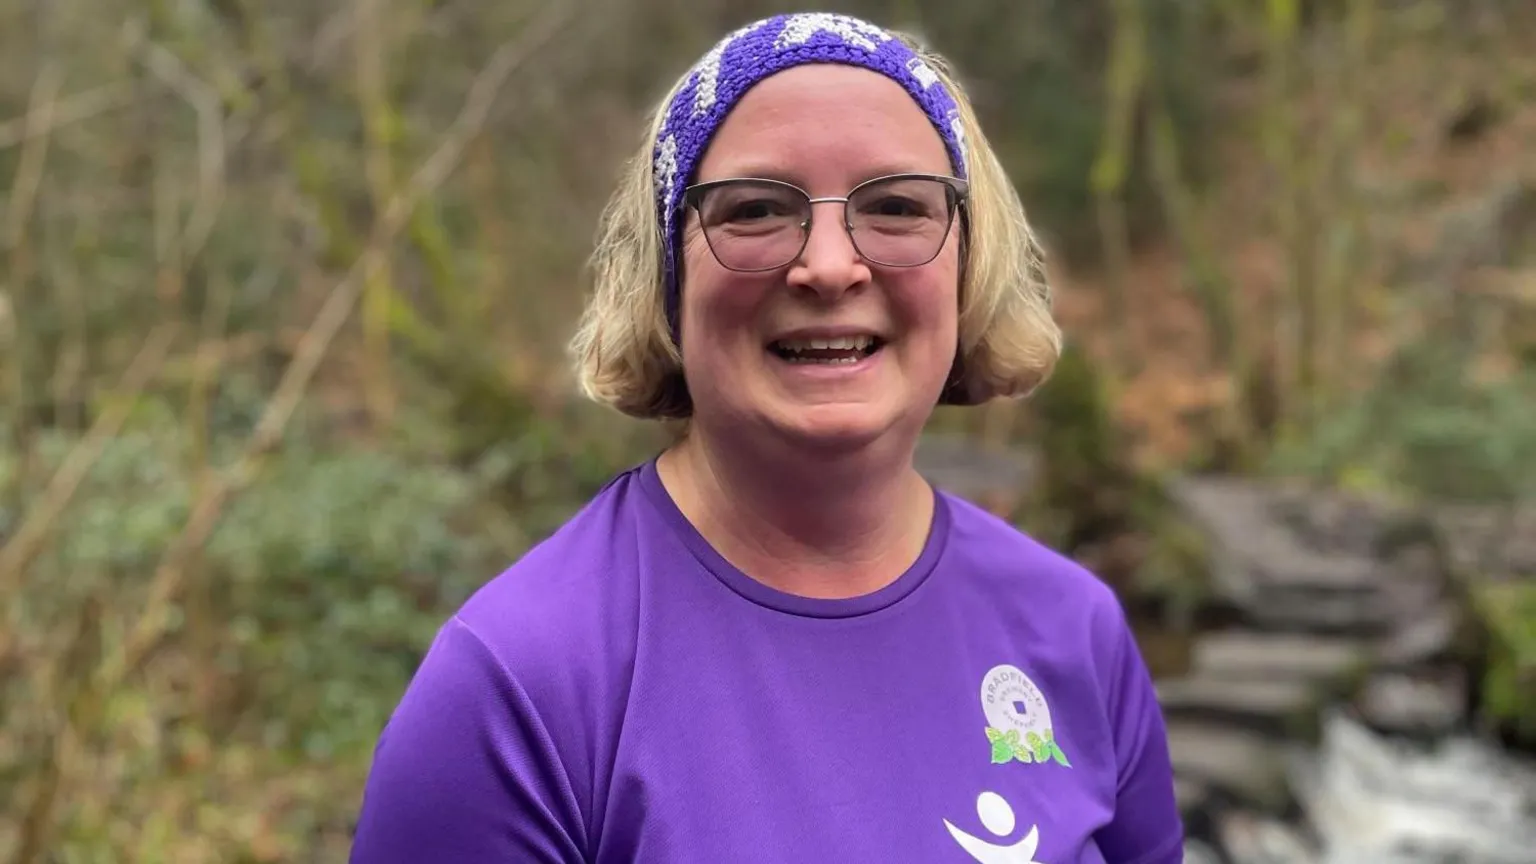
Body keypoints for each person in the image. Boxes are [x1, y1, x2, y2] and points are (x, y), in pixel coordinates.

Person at [349, 11, 1183, 863]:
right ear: (669, 276)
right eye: (755, 210)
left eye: (896, 206)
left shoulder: (1073, 629)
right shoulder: (519, 688)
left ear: (967, 264)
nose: (828, 265)